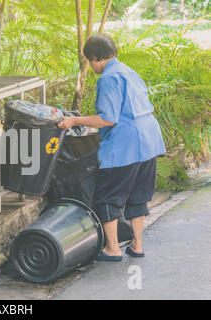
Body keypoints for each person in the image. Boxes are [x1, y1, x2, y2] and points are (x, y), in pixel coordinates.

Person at [58, 34, 166, 261]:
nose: (91, 65)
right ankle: (137, 245)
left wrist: (74, 121)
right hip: (148, 140)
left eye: (90, 60)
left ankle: (113, 248)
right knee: (138, 196)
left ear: (95, 58)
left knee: (107, 196)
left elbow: (108, 119)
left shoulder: (108, 78)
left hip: (126, 144)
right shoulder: (129, 72)